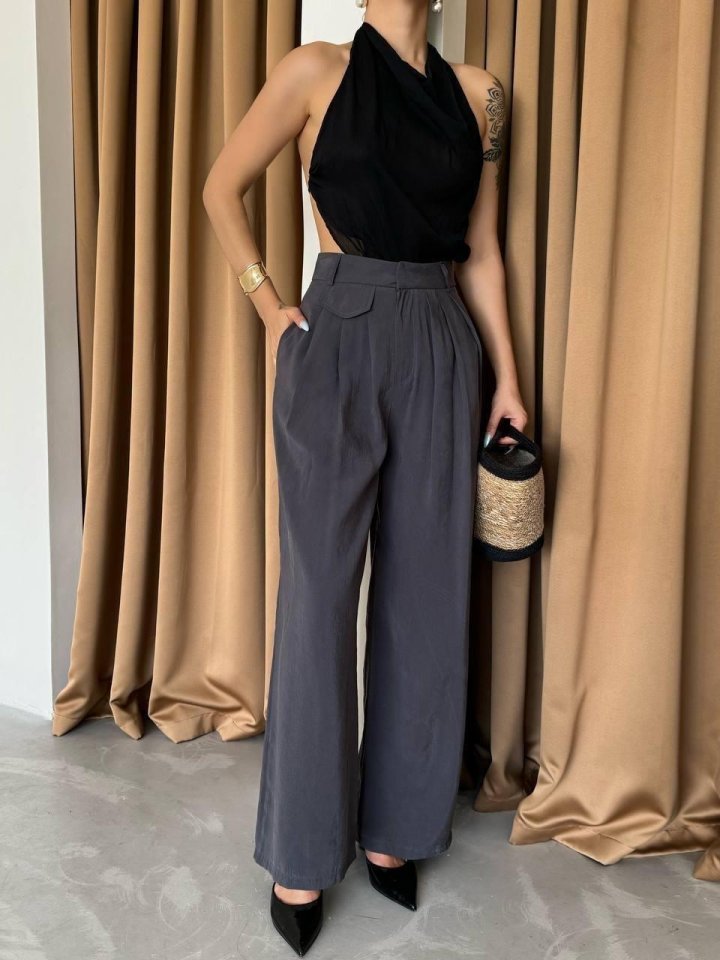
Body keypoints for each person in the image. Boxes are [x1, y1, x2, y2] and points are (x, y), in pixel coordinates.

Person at [203, 0, 527, 953]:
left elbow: (483, 251)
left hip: (440, 337)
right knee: (317, 597)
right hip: (335, 334)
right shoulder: (315, 70)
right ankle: (301, 850)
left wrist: (509, 379)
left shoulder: (481, 96)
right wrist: (270, 307)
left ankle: (397, 827)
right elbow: (221, 188)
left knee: (426, 597)